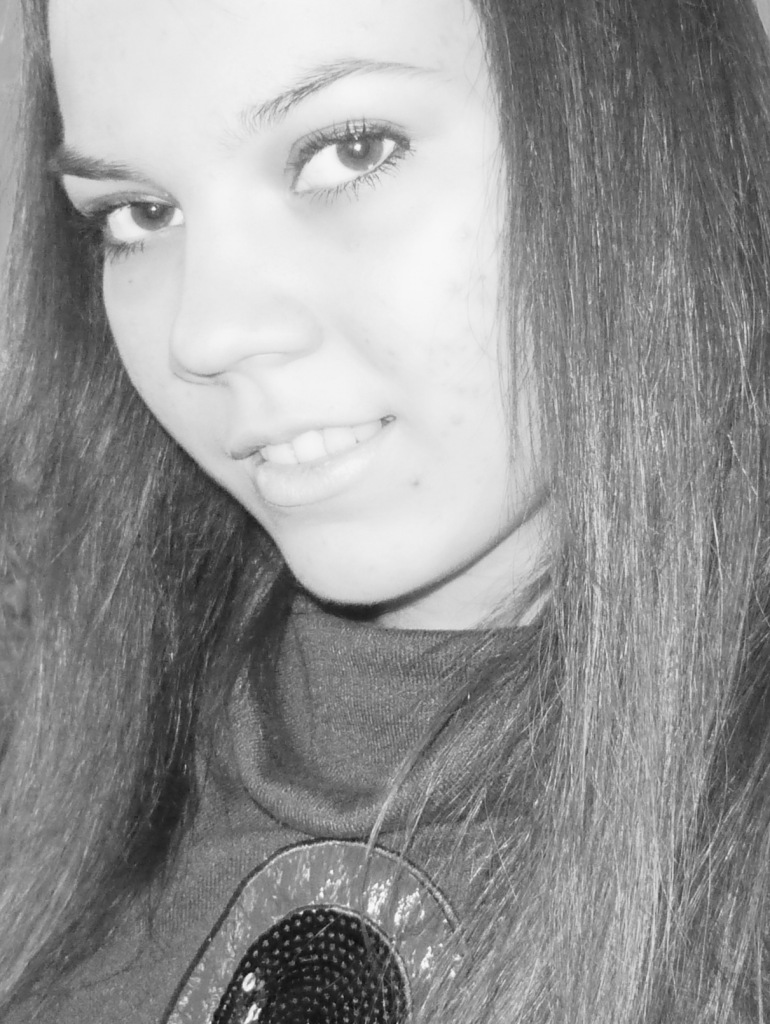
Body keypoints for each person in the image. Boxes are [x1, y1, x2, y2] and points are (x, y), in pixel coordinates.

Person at [2, 0, 770, 1020]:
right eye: (139, 214)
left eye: (349, 150)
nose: (206, 331)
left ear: (645, 128)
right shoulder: (62, 749)